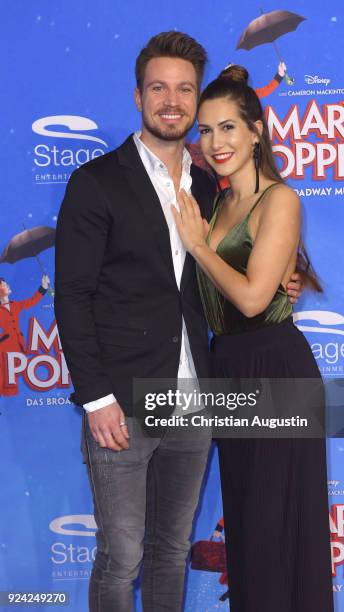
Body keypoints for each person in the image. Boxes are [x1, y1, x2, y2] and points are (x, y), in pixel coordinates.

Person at [54, 32, 302, 612]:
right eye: (159, 87)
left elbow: (248, 250)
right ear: (138, 95)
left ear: (196, 100)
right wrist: (96, 399)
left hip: (195, 397)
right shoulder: (97, 182)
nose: (173, 100)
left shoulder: (211, 184)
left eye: (185, 89)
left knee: (171, 549)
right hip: (124, 400)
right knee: (122, 556)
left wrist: (284, 282)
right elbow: (72, 296)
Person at [172, 65, 334, 612]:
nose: (215, 142)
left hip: (276, 369)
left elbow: (251, 299)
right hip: (229, 368)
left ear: (257, 131)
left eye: (228, 128)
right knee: (245, 529)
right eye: (206, 130)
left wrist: (200, 247)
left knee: (276, 529)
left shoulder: (280, 199)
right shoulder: (213, 203)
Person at [0, 275, 50, 395]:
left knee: (13, 379)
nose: (7, 285)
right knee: (4, 376)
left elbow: (32, 301)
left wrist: (43, 287)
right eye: (3, 285)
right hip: (5, 347)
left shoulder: (16, 305)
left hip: (19, 346)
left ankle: (9, 402)